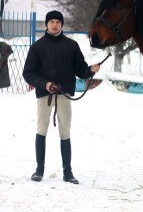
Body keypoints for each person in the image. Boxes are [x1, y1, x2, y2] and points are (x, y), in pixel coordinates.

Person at [23, 10, 100, 184]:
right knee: (41, 129)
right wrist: (45, 84)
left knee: (65, 132)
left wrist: (90, 71)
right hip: (45, 95)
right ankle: (39, 170)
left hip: (64, 95)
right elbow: (28, 73)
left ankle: (68, 172)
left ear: (62, 24)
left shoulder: (71, 45)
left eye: (58, 21)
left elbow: (80, 69)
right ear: (47, 24)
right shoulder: (37, 46)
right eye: (52, 21)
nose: (55, 24)